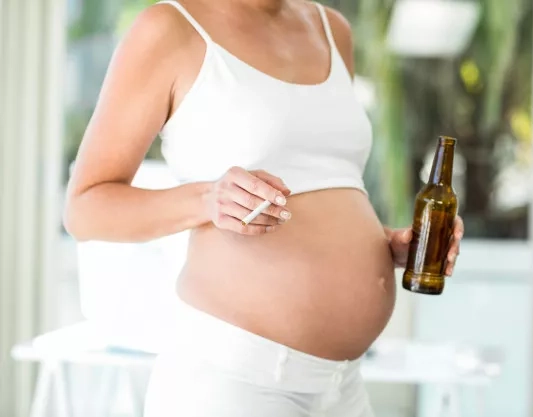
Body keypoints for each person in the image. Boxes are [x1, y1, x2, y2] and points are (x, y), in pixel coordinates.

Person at [63, 0, 464, 415]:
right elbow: (85, 208)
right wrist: (207, 199)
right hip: (235, 383)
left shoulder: (333, 29)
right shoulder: (169, 28)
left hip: (343, 386)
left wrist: (382, 245)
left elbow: (327, 185)